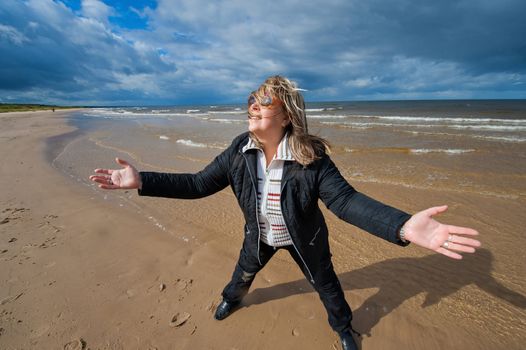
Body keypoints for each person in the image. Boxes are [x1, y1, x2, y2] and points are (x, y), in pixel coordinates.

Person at [89, 76, 480, 350]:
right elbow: (197, 184)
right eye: (251, 111)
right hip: (258, 236)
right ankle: (233, 299)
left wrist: (404, 225)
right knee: (242, 274)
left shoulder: (311, 159)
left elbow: (344, 201)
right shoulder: (238, 151)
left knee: (327, 286)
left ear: (286, 116)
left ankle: (344, 328)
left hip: (304, 240)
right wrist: (143, 181)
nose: (254, 117)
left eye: (263, 111)